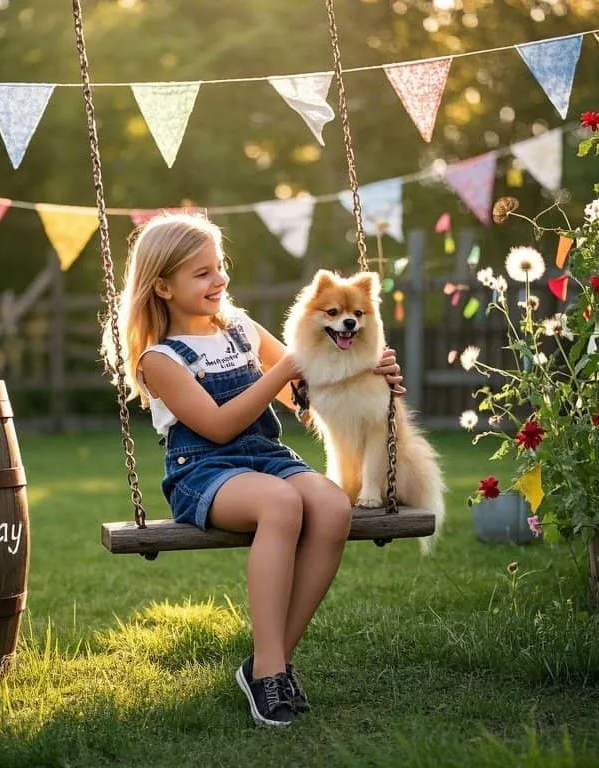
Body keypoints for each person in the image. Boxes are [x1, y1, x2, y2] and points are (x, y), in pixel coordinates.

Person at [101, 213, 404, 728]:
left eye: (218, 267)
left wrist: (366, 373)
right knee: (281, 504)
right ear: (163, 287)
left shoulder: (242, 329)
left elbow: (302, 396)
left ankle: (272, 661)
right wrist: (286, 366)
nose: (218, 279)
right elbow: (218, 427)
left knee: (332, 506)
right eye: (201, 273)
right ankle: (269, 672)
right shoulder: (161, 359)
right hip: (203, 471)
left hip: (268, 457)